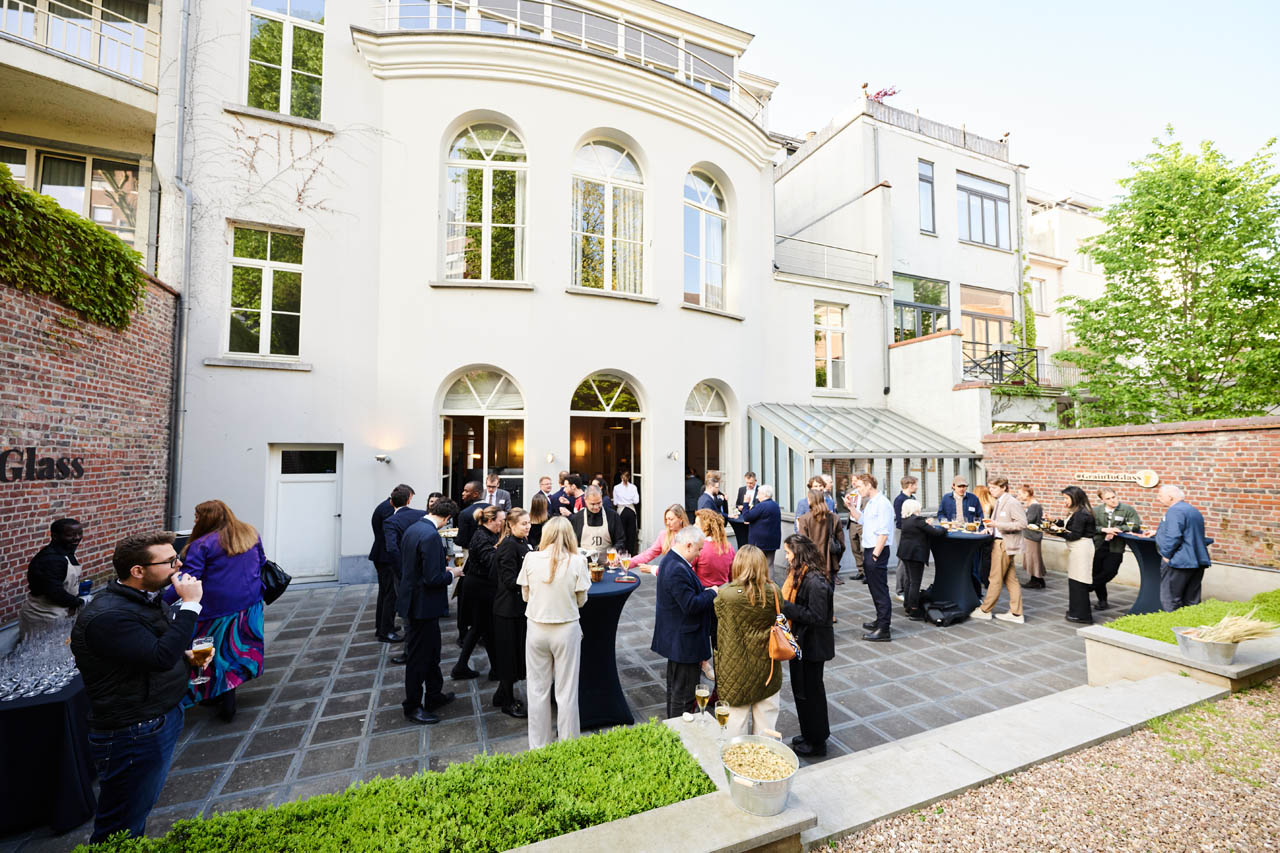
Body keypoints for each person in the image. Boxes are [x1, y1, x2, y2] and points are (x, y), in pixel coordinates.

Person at [70, 532, 203, 843]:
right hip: (134, 731)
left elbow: (153, 649)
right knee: (120, 826)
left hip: (158, 715)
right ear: (138, 571)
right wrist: (191, 605)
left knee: (137, 809)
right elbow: (160, 657)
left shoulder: (144, 599)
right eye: (170, 561)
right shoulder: (110, 616)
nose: (179, 565)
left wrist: (184, 657)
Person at [163, 500, 265, 722]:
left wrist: (161, 601)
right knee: (236, 652)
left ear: (207, 518)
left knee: (206, 652)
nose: (195, 521)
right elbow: (262, 561)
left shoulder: (202, 544)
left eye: (197, 516)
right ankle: (225, 695)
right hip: (250, 604)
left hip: (215, 610)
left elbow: (188, 578)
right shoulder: (250, 533)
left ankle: (216, 696)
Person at [518, 517, 591, 749]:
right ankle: (568, 748)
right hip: (566, 628)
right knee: (566, 692)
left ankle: (538, 747)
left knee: (537, 690)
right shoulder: (578, 561)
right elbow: (581, 600)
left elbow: (525, 596)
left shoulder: (531, 558)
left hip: (537, 628)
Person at [397, 498, 464, 725]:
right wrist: (452, 573)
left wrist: (439, 569)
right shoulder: (431, 536)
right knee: (418, 658)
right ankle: (412, 706)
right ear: (447, 518)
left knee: (432, 652)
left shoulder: (414, 528)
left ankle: (434, 694)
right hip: (422, 606)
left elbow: (416, 565)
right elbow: (433, 579)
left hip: (415, 601)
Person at [713, 545, 783, 737]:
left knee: (735, 728)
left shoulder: (726, 595)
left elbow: (718, 614)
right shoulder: (774, 591)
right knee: (767, 729)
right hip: (767, 668)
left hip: (735, 669)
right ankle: (765, 755)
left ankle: (738, 757)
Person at [651, 525, 717, 719]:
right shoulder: (677, 568)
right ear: (688, 545)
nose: (699, 554)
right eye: (698, 549)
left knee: (675, 690)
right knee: (684, 696)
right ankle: (679, 732)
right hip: (684, 642)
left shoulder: (671, 561)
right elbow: (690, 605)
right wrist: (712, 593)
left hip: (678, 639)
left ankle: (673, 728)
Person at [779, 534, 833, 757]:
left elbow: (817, 616)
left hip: (813, 647)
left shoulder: (815, 581)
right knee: (802, 691)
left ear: (798, 554)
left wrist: (786, 607)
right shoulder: (802, 576)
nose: (786, 557)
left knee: (812, 694)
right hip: (802, 643)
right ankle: (809, 733)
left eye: (788, 553)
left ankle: (817, 741)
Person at [454, 506, 503, 680]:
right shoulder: (482, 537)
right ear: (490, 520)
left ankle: (464, 667)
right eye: (501, 520)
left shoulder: (487, 534)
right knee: (483, 628)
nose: (503, 523)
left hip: (480, 586)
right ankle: (493, 670)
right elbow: (491, 562)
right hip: (479, 589)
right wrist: (501, 550)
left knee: (480, 628)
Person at [492, 508, 532, 718]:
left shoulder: (522, 541)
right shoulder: (508, 545)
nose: (528, 526)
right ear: (511, 525)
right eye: (524, 524)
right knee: (509, 656)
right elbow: (509, 581)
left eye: (528, 522)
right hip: (507, 610)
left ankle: (500, 694)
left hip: (518, 608)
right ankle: (507, 702)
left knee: (515, 653)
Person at [971, 477, 1027, 625]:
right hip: (1001, 542)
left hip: (1004, 544)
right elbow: (999, 524)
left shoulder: (1012, 502)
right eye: (990, 487)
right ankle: (1016, 613)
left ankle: (985, 610)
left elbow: (1022, 523)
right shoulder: (1000, 501)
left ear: (1004, 488)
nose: (991, 490)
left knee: (995, 578)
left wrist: (997, 524)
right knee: (1011, 579)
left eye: (994, 488)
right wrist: (989, 529)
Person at [846, 473, 894, 642]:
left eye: (859, 486)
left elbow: (884, 532)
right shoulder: (871, 503)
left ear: (869, 485)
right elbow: (862, 520)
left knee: (880, 589)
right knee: (875, 588)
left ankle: (884, 629)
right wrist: (851, 507)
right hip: (870, 549)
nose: (857, 489)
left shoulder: (883, 504)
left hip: (876, 551)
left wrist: (874, 555)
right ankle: (880, 621)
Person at [19, 517, 85, 639]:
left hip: (61, 613)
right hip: (44, 615)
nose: (77, 538)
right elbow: (54, 592)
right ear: (55, 536)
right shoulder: (50, 560)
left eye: (79, 533)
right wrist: (80, 602)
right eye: (70, 535)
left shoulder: (66, 552)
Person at [1151, 484, 1211, 611]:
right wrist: (1158, 532)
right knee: (1192, 600)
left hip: (1179, 561)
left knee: (1171, 599)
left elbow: (1174, 535)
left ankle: (1173, 623)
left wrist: (1166, 555)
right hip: (1196, 560)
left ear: (1170, 497)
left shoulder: (1174, 511)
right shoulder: (1192, 510)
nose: (1158, 498)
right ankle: (1190, 623)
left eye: (1160, 495)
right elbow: (1189, 531)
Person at [370, 485, 413, 644]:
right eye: (410, 499)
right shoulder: (389, 510)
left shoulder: (385, 506)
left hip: (382, 556)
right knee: (390, 595)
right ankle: (385, 631)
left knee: (385, 593)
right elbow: (391, 539)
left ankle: (382, 626)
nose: (409, 503)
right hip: (386, 558)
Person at [1051, 486, 1097, 624]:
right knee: (1075, 580)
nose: (1064, 501)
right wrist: (1054, 521)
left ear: (1075, 498)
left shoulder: (1082, 514)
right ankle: (1075, 611)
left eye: (1066, 498)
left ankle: (1082, 615)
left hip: (1081, 550)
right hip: (1077, 549)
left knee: (1079, 582)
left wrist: (1054, 532)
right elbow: (1069, 526)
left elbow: (1074, 535)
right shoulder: (1077, 511)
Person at [1091, 487, 1141, 610]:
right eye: (1108, 498)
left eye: (1114, 497)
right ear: (1102, 500)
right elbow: (1090, 527)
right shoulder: (1096, 511)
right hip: (1098, 545)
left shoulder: (1127, 509)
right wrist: (1104, 530)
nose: (1112, 500)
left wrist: (1118, 529)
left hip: (1116, 547)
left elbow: (1135, 525)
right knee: (1097, 572)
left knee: (1110, 571)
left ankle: (1087, 587)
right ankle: (1102, 601)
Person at [897, 500, 945, 619]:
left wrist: (926, 523)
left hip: (905, 553)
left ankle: (907, 605)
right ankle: (914, 609)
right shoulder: (917, 520)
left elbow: (920, 528)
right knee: (915, 582)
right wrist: (945, 528)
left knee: (909, 580)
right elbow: (936, 533)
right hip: (915, 555)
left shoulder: (906, 520)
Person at [569, 485, 626, 558]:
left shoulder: (612, 516)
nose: (596, 507)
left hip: (608, 562)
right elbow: (572, 544)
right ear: (585, 500)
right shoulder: (577, 518)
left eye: (599, 503)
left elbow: (621, 540)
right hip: (583, 562)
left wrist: (615, 549)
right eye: (592, 504)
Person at [797, 487, 837, 587]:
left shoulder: (804, 519)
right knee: (829, 591)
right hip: (829, 563)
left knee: (814, 591)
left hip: (811, 563)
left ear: (810, 500)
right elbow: (841, 544)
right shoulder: (834, 518)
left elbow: (802, 545)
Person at [634, 504, 689, 571]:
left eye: (671, 519)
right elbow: (648, 554)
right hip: (666, 576)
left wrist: (653, 569)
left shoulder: (690, 536)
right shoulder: (664, 535)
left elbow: (683, 567)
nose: (667, 523)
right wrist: (628, 562)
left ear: (681, 519)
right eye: (666, 519)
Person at [740, 485, 782, 568]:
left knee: (757, 566)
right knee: (769, 565)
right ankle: (769, 577)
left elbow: (746, 517)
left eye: (758, 493)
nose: (757, 496)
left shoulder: (761, 506)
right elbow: (765, 519)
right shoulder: (775, 505)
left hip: (760, 542)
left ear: (765, 495)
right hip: (773, 541)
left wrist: (745, 503)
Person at [692, 509, 736, 588]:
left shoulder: (699, 548)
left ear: (705, 527)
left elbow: (688, 573)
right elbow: (732, 575)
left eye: (697, 524)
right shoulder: (729, 547)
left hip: (703, 591)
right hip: (724, 590)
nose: (693, 526)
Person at [892, 476, 918, 601]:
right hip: (903, 532)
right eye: (915, 484)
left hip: (912, 532)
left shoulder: (913, 498)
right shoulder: (899, 500)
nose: (917, 487)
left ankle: (907, 588)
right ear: (910, 485)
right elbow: (901, 519)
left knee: (908, 560)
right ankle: (900, 590)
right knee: (902, 560)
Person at [1019, 486, 1046, 589]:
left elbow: (1029, 520)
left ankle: (1036, 581)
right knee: (1033, 558)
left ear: (1026, 493)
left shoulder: (1034, 506)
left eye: (1021, 494)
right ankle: (1038, 580)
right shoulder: (1032, 505)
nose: (1019, 496)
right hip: (1031, 535)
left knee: (1033, 558)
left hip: (1032, 536)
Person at [612, 470, 640, 554]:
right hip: (631, 511)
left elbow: (615, 503)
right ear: (629, 477)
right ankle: (630, 553)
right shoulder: (633, 487)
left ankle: (622, 552)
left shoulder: (616, 488)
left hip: (621, 511)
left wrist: (622, 501)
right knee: (631, 534)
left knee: (621, 533)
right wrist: (629, 500)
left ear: (621, 477)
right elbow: (636, 501)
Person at [731, 471, 759, 546]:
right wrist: (739, 507)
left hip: (754, 522)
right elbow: (737, 504)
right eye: (747, 483)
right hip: (743, 522)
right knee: (743, 542)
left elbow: (760, 507)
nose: (749, 485)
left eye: (751, 483)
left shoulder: (760, 490)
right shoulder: (741, 489)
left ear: (755, 481)